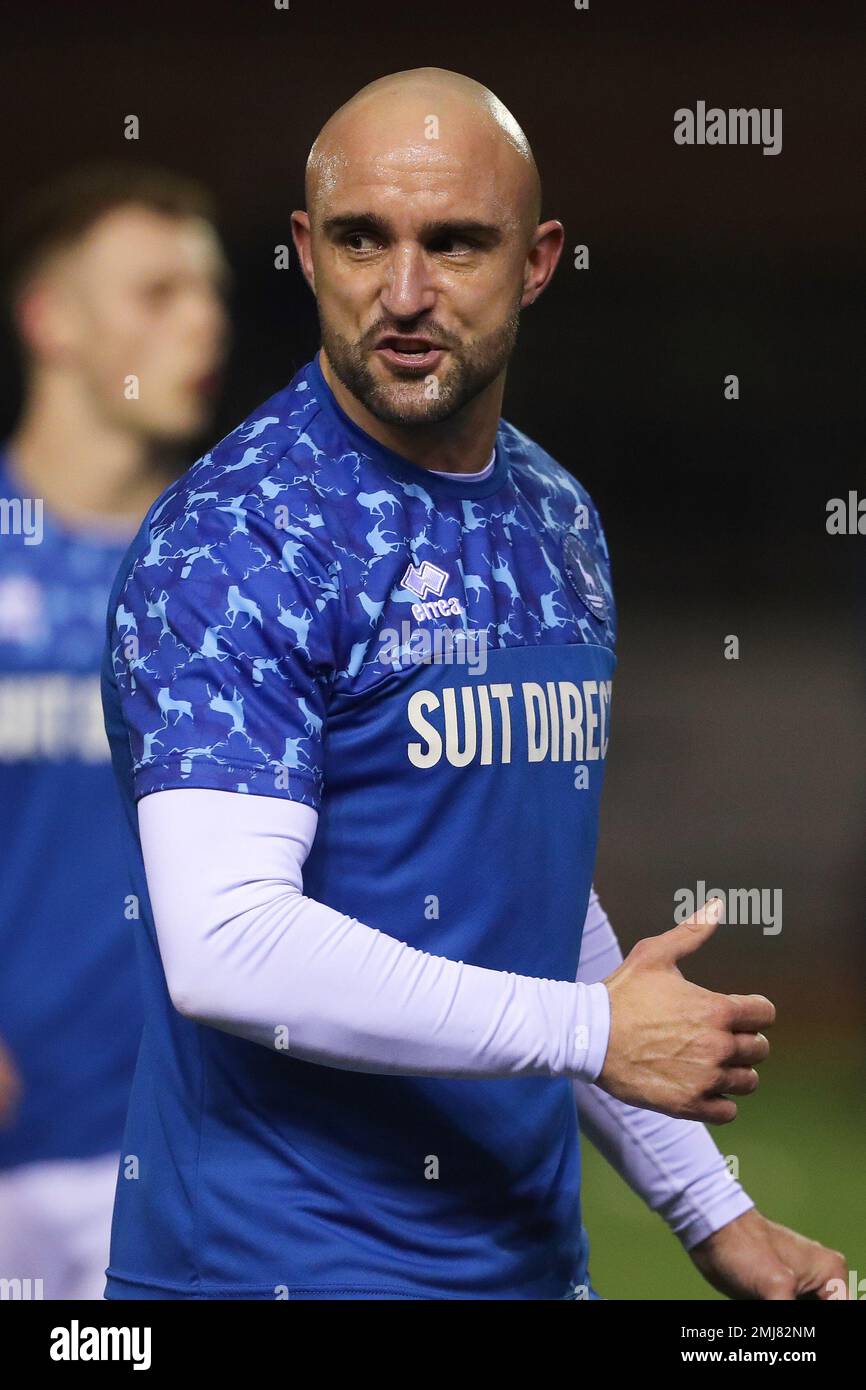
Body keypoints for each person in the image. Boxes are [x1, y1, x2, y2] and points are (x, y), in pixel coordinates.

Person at [101, 71, 846, 1300]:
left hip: (522, 1268)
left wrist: (714, 1213)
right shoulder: (238, 542)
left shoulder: (553, 516)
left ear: (539, 260)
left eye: (453, 243)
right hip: (268, 1272)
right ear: (304, 249)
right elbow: (225, 942)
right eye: (360, 240)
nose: (402, 293)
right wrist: (598, 1033)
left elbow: (526, 895)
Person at [0, 164, 229, 1299]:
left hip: (178, 1167)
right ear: (50, 319)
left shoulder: (231, 573)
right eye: (156, 292)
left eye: (209, 293)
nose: (202, 322)